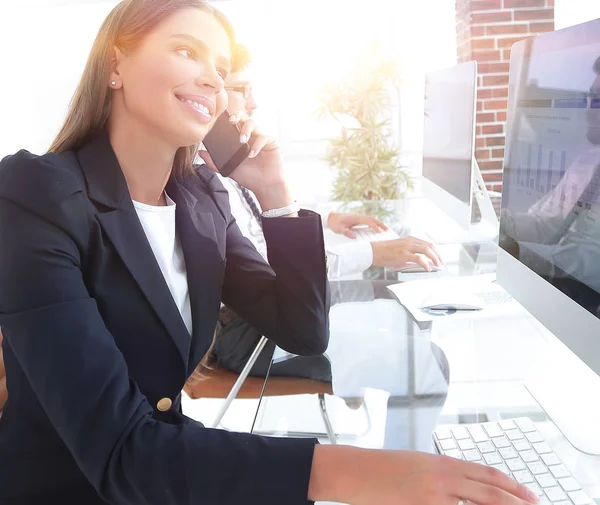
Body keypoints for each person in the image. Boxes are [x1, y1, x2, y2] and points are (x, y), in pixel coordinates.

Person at [0, 1, 539, 504]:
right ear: (116, 62)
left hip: (171, 472)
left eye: (218, 64)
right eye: (187, 51)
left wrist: (277, 195)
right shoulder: (36, 195)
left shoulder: (201, 200)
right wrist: (359, 472)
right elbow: (121, 451)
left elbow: (301, 331)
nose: (212, 77)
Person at [206, 44, 444, 378]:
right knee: (429, 362)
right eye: (241, 90)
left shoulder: (223, 165)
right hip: (244, 332)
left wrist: (328, 218)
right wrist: (373, 252)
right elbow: (275, 267)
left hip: (262, 314)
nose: (254, 103)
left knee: (392, 302)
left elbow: (262, 227)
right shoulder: (201, 180)